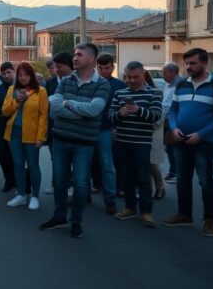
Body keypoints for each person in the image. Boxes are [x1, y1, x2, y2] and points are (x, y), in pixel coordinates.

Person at [40, 43, 111, 238]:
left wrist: (68, 103)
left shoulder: (102, 84)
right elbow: (54, 107)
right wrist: (81, 114)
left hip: (83, 143)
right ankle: (59, 216)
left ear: (91, 59)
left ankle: (76, 221)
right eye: (74, 54)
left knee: (80, 185)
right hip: (60, 139)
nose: (75, 58)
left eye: (79, 54)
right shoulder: (66, 80)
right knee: (59, 181)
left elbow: (95, 110)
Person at [163, 48, 213, 237]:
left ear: (204, 63)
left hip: (204, 143)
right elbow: (173, 110)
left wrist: (201, 135)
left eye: (192, 63)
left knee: (205, 181)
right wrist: (174, 128)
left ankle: (210, 220)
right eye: (186, 63)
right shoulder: (182, 85)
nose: (188, 67)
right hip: (180, 141)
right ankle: (184, 215)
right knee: (182, 179)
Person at [109, 62, 162, 227]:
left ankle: (146, 212)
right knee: (126, 177)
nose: (132, 80)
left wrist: (138, 110)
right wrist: (120, 114)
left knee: (143, 177)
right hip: (122, 142)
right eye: (129, 77)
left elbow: (156, 116)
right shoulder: (120, 93)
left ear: (143, 75)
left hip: (142, 143)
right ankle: (130, 208)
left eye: (135, 77)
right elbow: (110, 116)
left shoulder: (154, 93)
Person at [2, 62, 48, 210]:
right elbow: (5, 111)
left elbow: (43, 116)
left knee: (33, 165)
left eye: (26, 74)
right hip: (14, 134)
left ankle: (35, 196)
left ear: (31, 75)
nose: (23, 78)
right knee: (18, 165)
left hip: (32, 135)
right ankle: (21, 195)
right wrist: (17, 100)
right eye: (20, 75)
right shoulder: (12, 90)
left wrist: (41, 137)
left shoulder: (40, 91)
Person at [93, 53, 126, 214]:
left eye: (107, 67)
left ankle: (110, 200)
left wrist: (117, 128)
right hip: (89, 128)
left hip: (108, 129)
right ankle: (84, 196)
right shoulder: (91, 82)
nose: (104, 71)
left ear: (113, 67)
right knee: (85, 164)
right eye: (100, 67)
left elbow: (124, 109)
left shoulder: (120, 85)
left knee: (108, 165)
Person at [44, 52, 73, 195]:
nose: (55, 69)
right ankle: (55, 183)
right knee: (55, 158)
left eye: (58, 66)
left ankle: (70, 185)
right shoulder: (49, 83)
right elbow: (46, 106)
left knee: (71, 160)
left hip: (71, 126)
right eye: (54, 67)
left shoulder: (75, 82)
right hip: (53, 127)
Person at [0, 62, 17, 192]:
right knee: (1, 156)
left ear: (14, 71)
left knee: (16, 156)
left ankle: (19, 180)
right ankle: (8, 180)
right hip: (1, 127)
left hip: (17, 129)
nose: (6, 76)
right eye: (3, 73)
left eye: (8, 72)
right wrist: (3, 110)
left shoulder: (22, 88)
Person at [144, 70, 167, 200]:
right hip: (140, 135)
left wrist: (144, 124)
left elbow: (160, 117)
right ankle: (147, 189)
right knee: (143, 164)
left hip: (152, 134)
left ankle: (160, 187)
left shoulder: (155, 93)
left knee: (152, 164)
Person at [162, 61, 184, 183]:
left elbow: (171, 106)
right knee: (170, 148)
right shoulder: (168, 85)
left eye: (164, 73)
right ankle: (173, 171)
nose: (163, 75)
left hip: (176, 122)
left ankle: (176, 173)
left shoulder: (181, 85)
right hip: (167, 121)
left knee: (175, 148)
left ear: (173, 72)